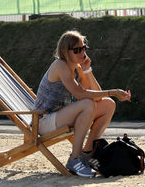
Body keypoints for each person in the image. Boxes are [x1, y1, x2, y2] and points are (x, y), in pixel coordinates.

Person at [33, 30, 132, 177]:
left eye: (83, 48)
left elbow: (97, 95)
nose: (82, 53)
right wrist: (112, 91)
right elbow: (79, 94)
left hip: (60, 115)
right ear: (65, 52)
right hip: (43, 120)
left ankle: (87, 154)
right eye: (77, 50)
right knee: (87, 104)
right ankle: (74, 159)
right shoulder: (60, 65)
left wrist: (87, 70)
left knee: (108, 104)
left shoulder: (77, 68)